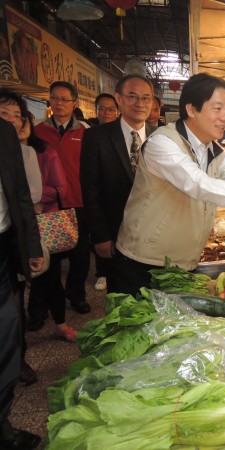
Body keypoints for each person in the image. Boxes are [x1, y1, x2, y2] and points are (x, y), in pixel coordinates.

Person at [113, 73, 225, 295]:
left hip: (183, 261)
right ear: (191, 109)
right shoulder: (162, 143)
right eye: (217, 109)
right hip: (144, 261)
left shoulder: (213, 149)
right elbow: (199, 184)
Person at [80, 75, 155, 294]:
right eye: (132, 97)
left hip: (154, 233)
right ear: (118, 99)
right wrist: (100, 235)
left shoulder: (162, 136)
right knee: (121, 297)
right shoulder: (97, 137)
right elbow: (90, 189)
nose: (140, 103)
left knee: (155, 296)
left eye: (146, 98)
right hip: (115, 232)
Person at [0, 117, 44, 450]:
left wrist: (30, 246)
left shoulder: (3, 131)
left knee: (7, 334)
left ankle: (2, 426)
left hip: (2, 246)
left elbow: (19, 194)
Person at [34, 81, 91, 314]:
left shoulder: (85, 131)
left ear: (74, 103)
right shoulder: (38, 131)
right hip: (48, 204)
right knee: (50, 257)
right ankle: (50, 300)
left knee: (80, 255)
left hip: (78, 201)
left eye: (64, 99)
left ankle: (76, 295)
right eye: (54, 98)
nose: (59, 103)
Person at [87, 93, 120, 292]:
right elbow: (91, 186)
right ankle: (103, 274)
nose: (106, 113)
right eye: (102, 108)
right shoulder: (92, 136)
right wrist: (99, 235)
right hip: (108, 210)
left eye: (110, 109)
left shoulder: (152, 134)